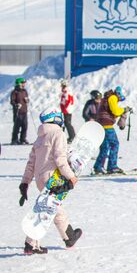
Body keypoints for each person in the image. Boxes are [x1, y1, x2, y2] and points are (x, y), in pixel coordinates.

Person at [19, 107, 82, 254]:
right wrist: (71, 177)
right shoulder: (58, 133)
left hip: (39, 179)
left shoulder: (39, 138)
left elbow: (31, 163)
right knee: (47, 210)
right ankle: (31, 244)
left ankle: (69, 237)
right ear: (57, 118)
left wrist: (25, 182)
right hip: (53, 178)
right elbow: (60, 159)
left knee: (53, 208)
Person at [93, 85, 129, 174]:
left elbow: (111, 112)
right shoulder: (112, 97)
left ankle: (98, 167)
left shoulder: (106, 98)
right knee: (114, 144)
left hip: (100, 125)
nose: (119, 100)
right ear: (119, 94)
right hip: (107, 126)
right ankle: (112, 167)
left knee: (105, 147)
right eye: (120, 98)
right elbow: (115, 111)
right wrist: (124, 109)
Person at [10, 77, 30, 145]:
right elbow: (12, 101)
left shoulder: (24, 91)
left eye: (24, 83)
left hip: (24, 111)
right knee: (17, 126)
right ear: (19, 83)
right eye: (22, 83)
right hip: (18, 112)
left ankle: (23, 139)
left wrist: (27, 100)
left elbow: (27, 98)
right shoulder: (15, 92)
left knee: (25, 126)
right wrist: (16, 105)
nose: (24, 84)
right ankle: (14, 140)